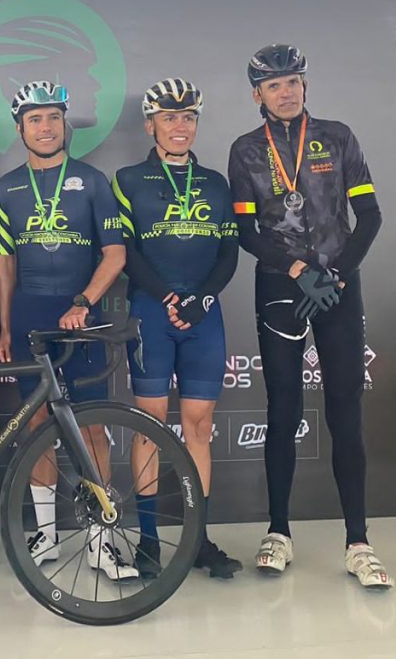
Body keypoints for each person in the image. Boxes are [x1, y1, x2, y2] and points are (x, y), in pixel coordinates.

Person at [228, 44, 390, 588]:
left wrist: (337, 274)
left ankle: (359, 542)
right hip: (282, 285)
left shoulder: (337, 137)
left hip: (339, 285)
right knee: (283, 407)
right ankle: (278, 531)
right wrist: (298, 269)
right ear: (258, 94)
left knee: (345, 408)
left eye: (294, 81)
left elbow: (369, 215)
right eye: (274, 85)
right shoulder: (246, 150)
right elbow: (246, 231)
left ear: (305, 85)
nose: (287, 92)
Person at [0, 80, 132, 580]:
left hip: (81, 315)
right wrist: (5, 327)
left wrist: (82, 302)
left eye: (54, 117)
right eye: (35, 119)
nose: (46, 127)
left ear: (65, 123)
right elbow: (5, 263)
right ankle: (47, 535)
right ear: (20, 129)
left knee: (91, 426)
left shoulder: (93, 181)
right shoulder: (6, 187)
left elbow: (115, 254)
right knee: (36, 425)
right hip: (30, 312)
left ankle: (100, 540)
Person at [113, 78, 242, 580]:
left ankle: (197, 540)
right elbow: (126, 252)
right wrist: (170, 298)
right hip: (152, 312)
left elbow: (229, 251)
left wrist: (202, 298)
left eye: (188, 117)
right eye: (169, 117)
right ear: (151, 125)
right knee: (149, 423)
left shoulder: (215, 182)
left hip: (203, 316)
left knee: (199, 426)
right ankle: (148, 541)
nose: (180, 126)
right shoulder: (128, 179)